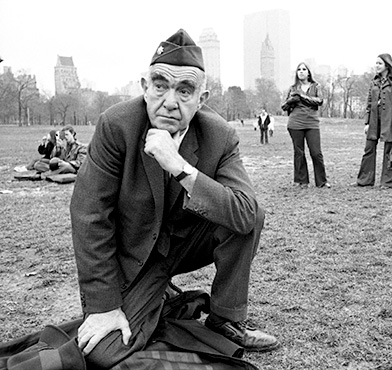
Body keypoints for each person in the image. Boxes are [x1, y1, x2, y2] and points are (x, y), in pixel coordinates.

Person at [69, 29, 279, 369]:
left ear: (202, 97)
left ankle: (225, 318)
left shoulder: (218, 135)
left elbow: (245, 213)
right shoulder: (116, 126)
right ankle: (166, 300)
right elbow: (88, 215)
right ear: (144, 87)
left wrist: (180, 167)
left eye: (184, 90)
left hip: (185, 245)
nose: (170, 101)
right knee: (103, 350)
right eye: (160, 85)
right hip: (134, 255)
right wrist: (103, 308)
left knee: (251, 216)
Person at [354, 54, 392, 189]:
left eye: (379, 64)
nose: (376, 66)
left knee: (389, 151)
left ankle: (387, 182)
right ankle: (365, 180)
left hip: (389, 121)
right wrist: (367, 122)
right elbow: (369, 103)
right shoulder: (374, 82)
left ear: (387, 65)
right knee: (369, 149)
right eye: (376, 63)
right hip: (374, 121)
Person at [281, 62, 330, 188]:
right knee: (299, 152)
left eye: (304, 69)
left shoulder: (316, 86)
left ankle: (322, 181)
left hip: (312, 123)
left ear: (308, 72)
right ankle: (301, 180)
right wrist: (291, 101)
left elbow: (319, 101)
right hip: (295, 123)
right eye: (299, 69)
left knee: (316, 152)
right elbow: (284, 106)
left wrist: (302, 97)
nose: (301, 71)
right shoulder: (292, 88)